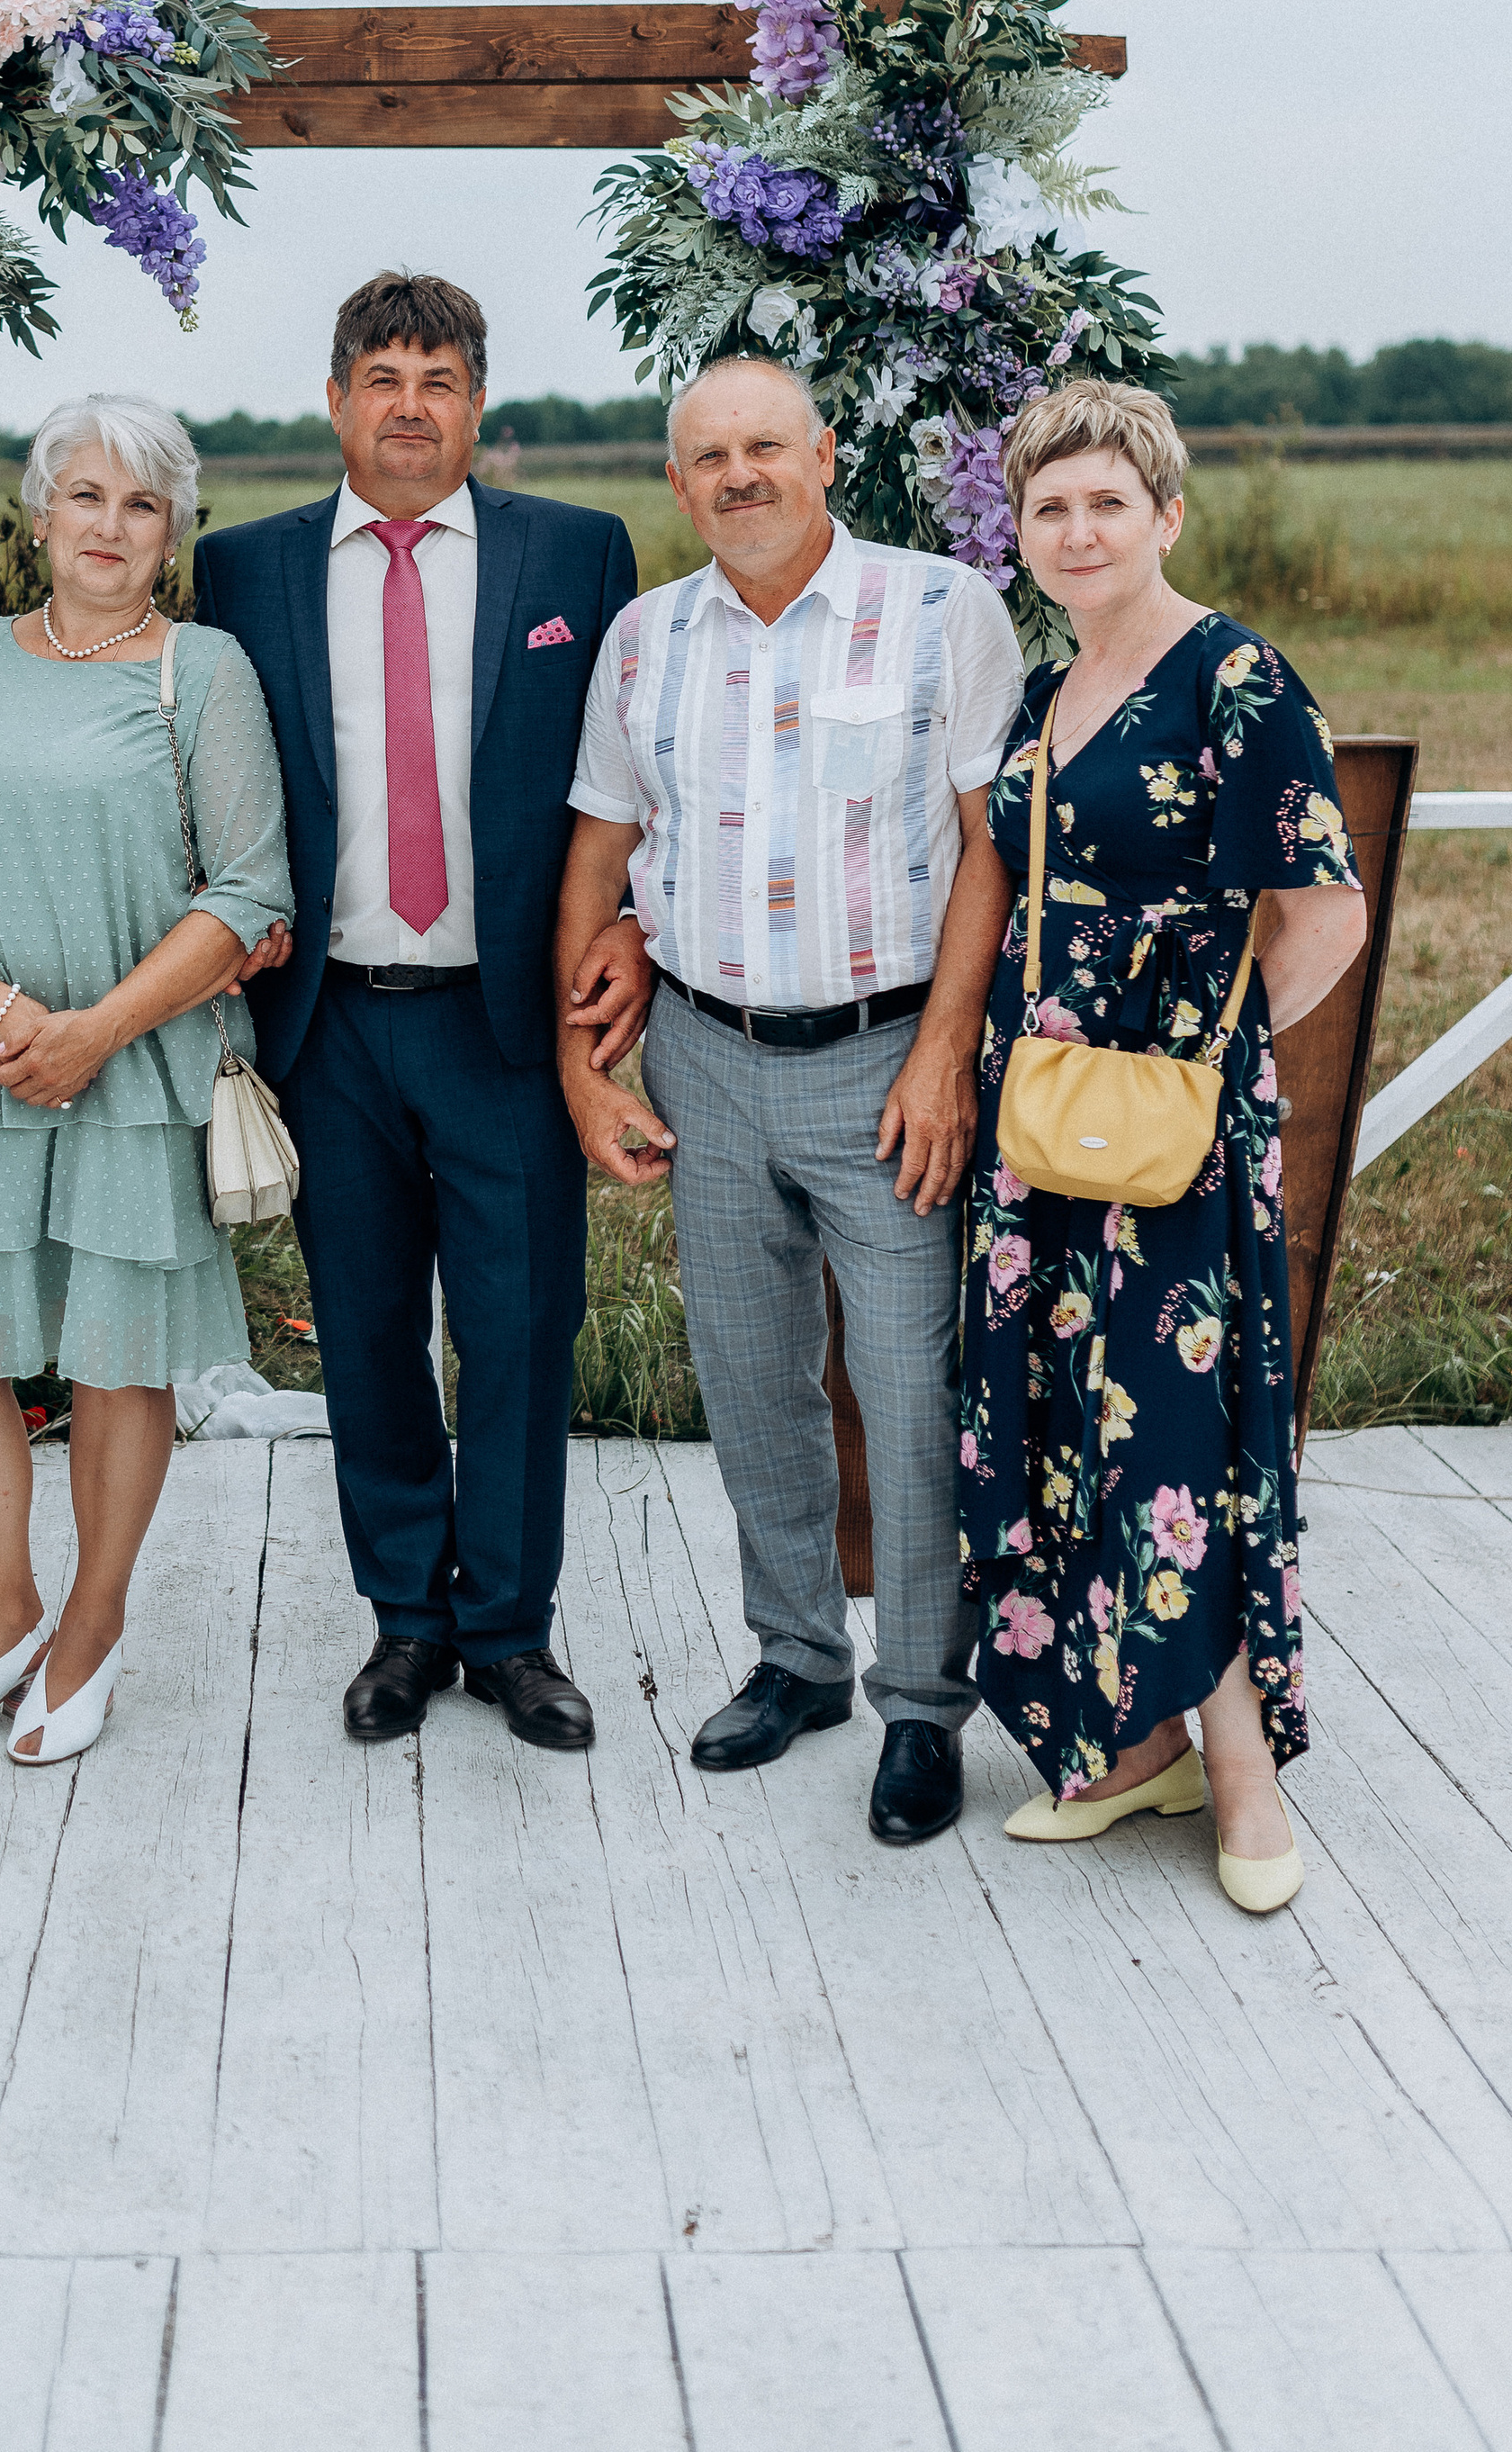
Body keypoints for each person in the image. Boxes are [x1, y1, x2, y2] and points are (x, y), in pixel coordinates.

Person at [556, 355, 1024, 1844]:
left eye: (766, 444)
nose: (739, 474)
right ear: (678, 480)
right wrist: (581, 1056)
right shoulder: (642, 641)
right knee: (751, 1382)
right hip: (702, 1052)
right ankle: (800, 1659)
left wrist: (949, 1047)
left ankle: (923, 1705)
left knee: (904, 1390)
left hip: (887, 1060)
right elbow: (603, 839)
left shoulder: (944, 609)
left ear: (826, 453)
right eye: (708, 455)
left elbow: (988, 847)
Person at [195, 273, 644, 1751]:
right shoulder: (243, 571)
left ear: (476, 406)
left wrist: (631, 931)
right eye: (380, 376)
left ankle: (511, 1631)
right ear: (335, 401)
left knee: (519, 1331)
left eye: (438, 378)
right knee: (368, 1329)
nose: (408, 405)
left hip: (503, 1020)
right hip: (328, 1023)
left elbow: (633, 779)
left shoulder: (575, 556)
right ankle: (406, 1622)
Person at [958, 382, 1365, 1916]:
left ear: (1166, 515)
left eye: (1105, 505)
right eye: (1049, 508)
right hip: (1039, 1118)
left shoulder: (1236, 678)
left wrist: (1210, 1057)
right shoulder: (1045, 694)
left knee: (1178, 1433)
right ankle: (1131, 1748)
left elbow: (1326, 912)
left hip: (1167, 1123)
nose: (1076, 531)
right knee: (1065, 1412)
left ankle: (1242, 1767)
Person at [0, 392, 293, 1770]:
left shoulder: (204, 670)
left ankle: (91, 1629)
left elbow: (249, 888)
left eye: (141, 503)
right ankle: (3, 1621)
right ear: (36, 515)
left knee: (119, 1357)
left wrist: (92, 1030)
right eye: (84, 496)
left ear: (173, 530)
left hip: (137, 1063)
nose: (109, 525)